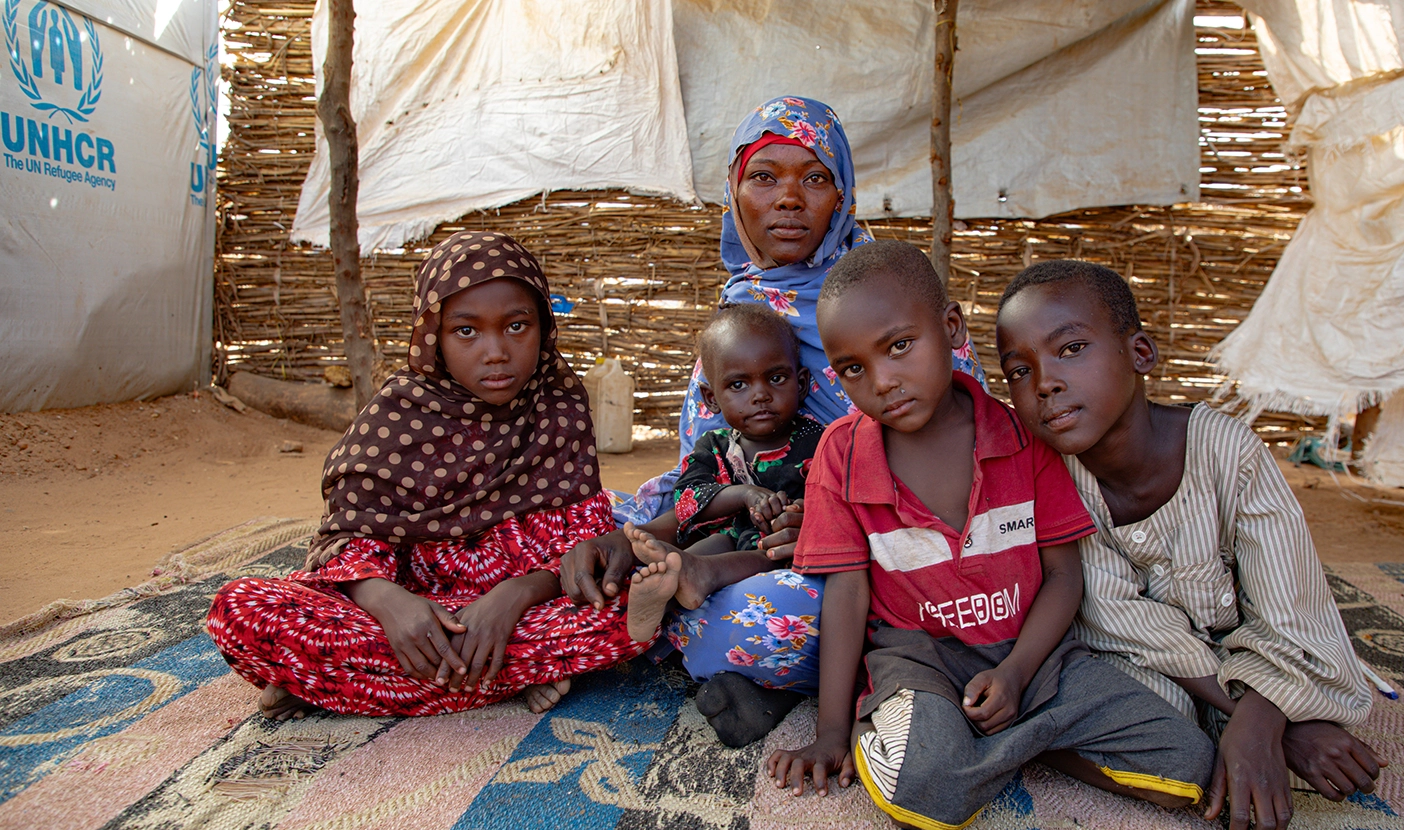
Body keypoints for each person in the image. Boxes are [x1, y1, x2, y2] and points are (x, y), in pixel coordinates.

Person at [560, 97, 985, 748]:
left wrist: (834, 520)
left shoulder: (895, 298)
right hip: (746, 540)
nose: (789, 198)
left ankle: (755, 666)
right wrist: (646, 534)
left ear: (842, 194)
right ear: (736, 195)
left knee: (771, 617)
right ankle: (759, 665)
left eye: (814, 178)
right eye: (765, 178)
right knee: (602, 558)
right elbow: (703, 468)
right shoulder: (739, 316)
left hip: (883, 557)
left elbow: (969, 464)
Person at [766, 242, 1216, 830]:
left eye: (900, 346)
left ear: (951, 328)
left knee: (1189, 764)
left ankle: (1003, 746)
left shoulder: (1019, 437)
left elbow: (1063, 576)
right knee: (922, 788)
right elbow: (846, 594)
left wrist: (1017, 673)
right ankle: (970, 742)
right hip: (918, 662)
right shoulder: (842, 455)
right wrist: (829, 731)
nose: (883, 380)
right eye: (853, 368)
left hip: (1036, 659)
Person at [993, 259, 1384, 830]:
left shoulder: (1231, 455)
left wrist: (1261, 718)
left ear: (1140, 353)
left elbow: (1292, 614)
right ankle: (1249, 724)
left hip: (1261, 649)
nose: (1044, 382)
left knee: (1324, 676)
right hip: (1150, 664)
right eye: (1019, 371)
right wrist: (1273, 727)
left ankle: (1260, 716)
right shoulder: (1052, 479)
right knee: (1152, 718)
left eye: (1071, 348)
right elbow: (1120, 622)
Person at [207, 232, 647, 720]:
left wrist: (512, 598)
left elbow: (583, 552)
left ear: (544, 327)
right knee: (239, 610)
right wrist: (388, 604)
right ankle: (506, 678)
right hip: (408, 619)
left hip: (523, 612)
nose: (496, 351)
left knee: (636, 602)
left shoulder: (557, 409)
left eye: (517, 326)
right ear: (431, 335)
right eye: (466, 331)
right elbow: (350, 541)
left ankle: (332, 684)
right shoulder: (396, 417)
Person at [622, 303, 825, 643]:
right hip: (729, 541)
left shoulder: (817, 444)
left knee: (766, 554)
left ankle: (689, 578)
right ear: (711, 398)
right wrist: (743, 495)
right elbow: (686, 501)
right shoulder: (713, 447)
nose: (760, 394)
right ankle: (663, 586)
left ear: (801, 383)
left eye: (776, 378)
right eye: (738, 385)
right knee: (707, 548)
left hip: (781, 552)